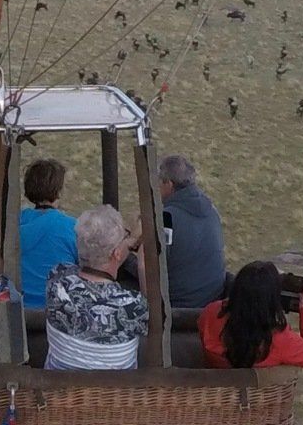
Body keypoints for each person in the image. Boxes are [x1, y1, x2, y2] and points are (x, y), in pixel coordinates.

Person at [43, 205, 149, 371]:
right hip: (114, 396)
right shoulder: (133, 306)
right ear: (117, 254)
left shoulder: (56, 280)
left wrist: (124, 243)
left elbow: (84, 266)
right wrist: (142, 265)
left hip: (58, 394)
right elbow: (158, 318)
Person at [197, 261, 303, 370]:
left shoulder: (210, 313)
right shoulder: (280, 341)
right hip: (257, 396)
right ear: (272, 299)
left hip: (216, 386)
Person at [158, 153, 227, 310]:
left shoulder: (167, 218)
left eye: (159, 183)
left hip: (179, 307)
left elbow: (151, 267)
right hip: (212, 302)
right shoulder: (211, 210)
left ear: (168, 184)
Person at [17, 158, 77, 310]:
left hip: (21, 309)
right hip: (59, 310)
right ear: (59, 191)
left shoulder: (16, 222)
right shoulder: (72, 227)